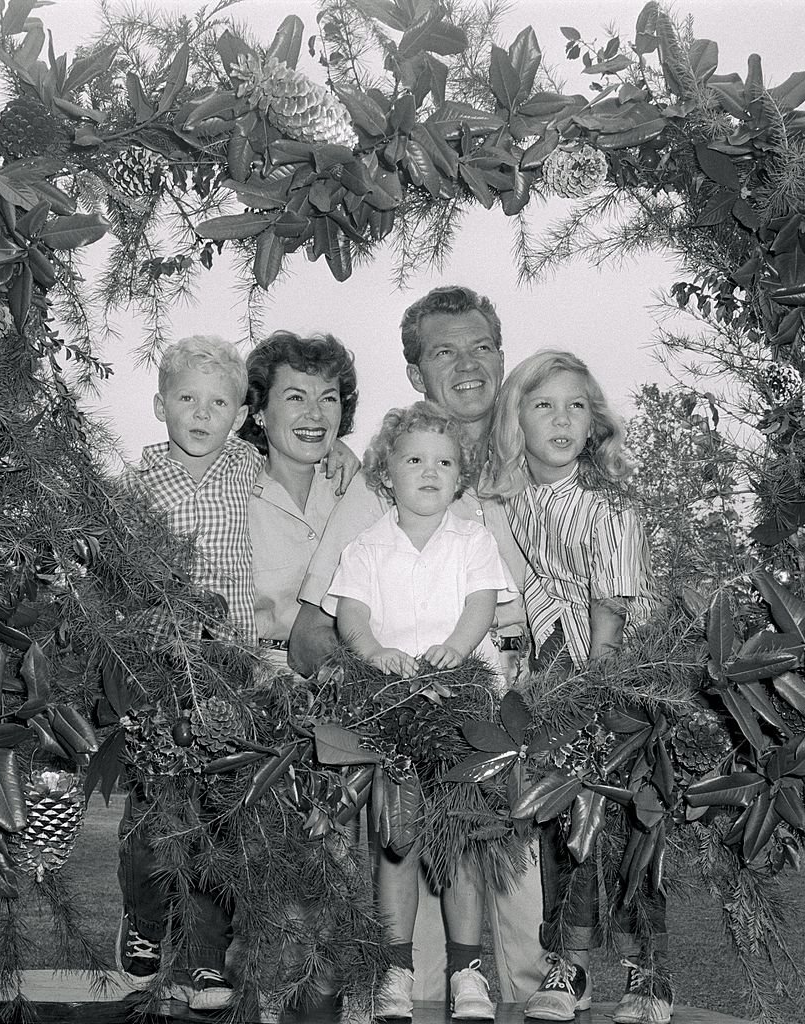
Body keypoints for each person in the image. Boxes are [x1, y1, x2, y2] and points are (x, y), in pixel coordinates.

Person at [289, 285, 548, 1003]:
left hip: (514, 736)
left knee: (526, 966)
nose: (468, 363)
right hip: (413, 729)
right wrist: (388, 687)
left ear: (503, 355)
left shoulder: (537, 467)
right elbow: (313, 630)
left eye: (481, 346)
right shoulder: (383, 488)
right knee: (420, 978)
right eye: (444, 351)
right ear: (415, 374)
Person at [482, 350, 669, 1024]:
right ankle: (571, 965)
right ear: (516, 419)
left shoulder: (606, 497)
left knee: (630, 821)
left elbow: (611, 602)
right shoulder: (517, 498)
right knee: (569, 822)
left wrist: (599, 689)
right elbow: (525, 596)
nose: (561, 419)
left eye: (576, 406)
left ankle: (650, 976)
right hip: (556, 670)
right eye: (543, 405)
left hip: (616, 670)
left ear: (594, 423)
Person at [326, 402, 516, 1019]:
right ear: (386, 473)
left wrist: (457, 650)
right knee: (397, 842)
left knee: (462, 841)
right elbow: (351, 613)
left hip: (461, 709)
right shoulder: (366, 547)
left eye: (443, 461)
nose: (429, 471)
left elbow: (482, 604)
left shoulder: (473, 540)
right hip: (396, 712)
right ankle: (395, 968)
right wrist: (373, 648)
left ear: (460, 476)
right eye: (414, 460)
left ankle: (468, 970)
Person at [116, 334, 259, 1012]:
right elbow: (114, 574)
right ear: (160, 404)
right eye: (187, 399)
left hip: (232, 668)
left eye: (220, 402)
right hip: (162, 668)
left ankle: (206, 960)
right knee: (154, 809)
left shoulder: (247, 468)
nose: (203, 414)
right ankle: (144, 924)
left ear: (239, 412)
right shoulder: (138, 484)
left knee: (216, 814)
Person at [239, 330, 359, 666]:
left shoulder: (360, 490)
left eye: (328, 398)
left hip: (355, 675)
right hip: (259, 679)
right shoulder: (231, 495)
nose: (315, 414)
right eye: (295, 398)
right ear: (258, 412)